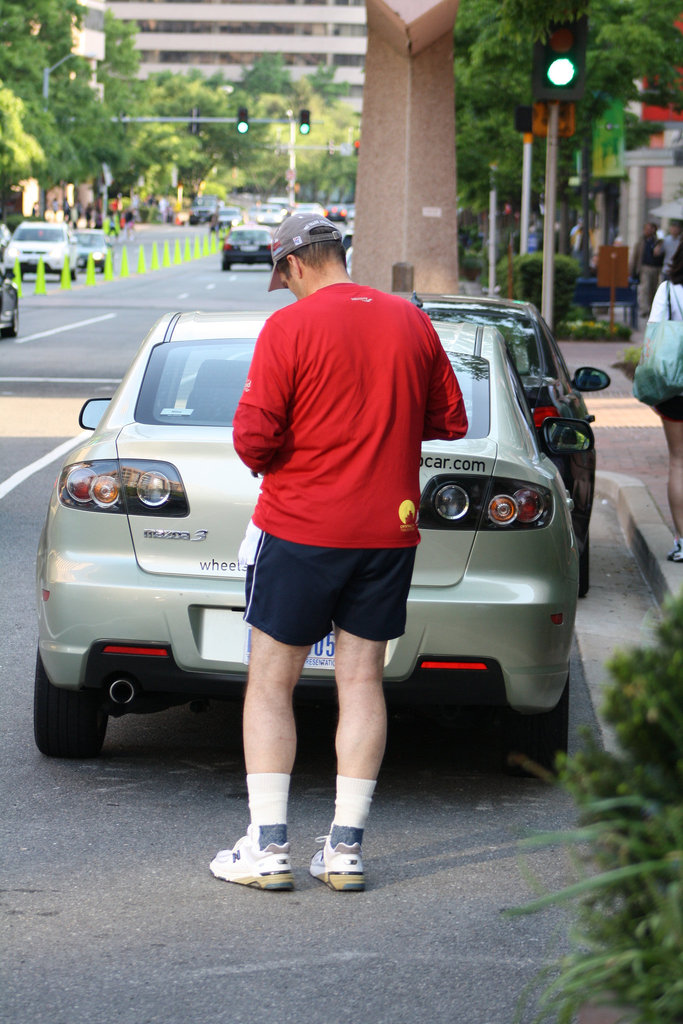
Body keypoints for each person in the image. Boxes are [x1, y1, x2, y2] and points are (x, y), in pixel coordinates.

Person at [209, 213, 468, 891]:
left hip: (300, 527)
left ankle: (268, 849)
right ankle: (346, 849)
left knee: (270, 682)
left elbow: (253, 442)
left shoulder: (289, 328)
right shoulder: (411, 321)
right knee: (361, 681)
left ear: (292, 266)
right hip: (388, 530)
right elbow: (449, 418)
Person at [648, 236, 683, 562]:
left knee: (678, 461)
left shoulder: (669, 290)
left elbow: (653, 337)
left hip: (675, 387)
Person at [630, 221, 664, 319]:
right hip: (645, 267)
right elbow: (635, 256)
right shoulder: (641, 242)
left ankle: (652, 308)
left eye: (650, 229)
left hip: (656, 268)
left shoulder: (658, 241)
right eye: (646, 229)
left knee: (654, 289)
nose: (648, 231)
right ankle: (644, 309)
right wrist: (633, 270)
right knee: (645, 288)